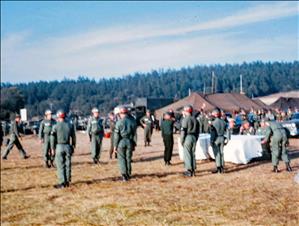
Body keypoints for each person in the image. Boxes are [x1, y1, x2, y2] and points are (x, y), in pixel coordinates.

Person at [51, 110, 76, 188]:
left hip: (59, 146)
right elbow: (74, 136)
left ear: (58, 116)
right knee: (68, 164)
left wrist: (52, 148)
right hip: (68, 146)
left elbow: (52, 138)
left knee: (60, 165)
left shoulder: (55, 126)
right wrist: (73, 145)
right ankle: (67, 181)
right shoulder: (70, 125)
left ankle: (62, 182)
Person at [113, 106, 136, 181]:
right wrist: (134, 144)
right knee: (128, 158)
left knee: (122, 158)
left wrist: (115, 146)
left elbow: (116, 136)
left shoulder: (119, 122)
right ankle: (129, 173)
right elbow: (134, 134)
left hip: (121, 142)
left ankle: (124, 174)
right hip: (129, 141)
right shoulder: (132, 122)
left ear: (121, 114)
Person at [180, 105, 199, 177]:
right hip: (194, 137)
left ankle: (189, 170)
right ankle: (193, 169)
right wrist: (196, 138)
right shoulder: (195, 119)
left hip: (188, 137)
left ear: (186, 111)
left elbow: (183, 131)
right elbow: (198, 131)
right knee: (193, 154)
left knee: (187, 154)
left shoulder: (185, 119)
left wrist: (182, 140)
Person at [210, 108, 227, 174]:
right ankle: (222, 167)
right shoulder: (224, 122)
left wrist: (211, 140)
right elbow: (227, 131)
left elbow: (212, 133)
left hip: (216, 139)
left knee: (217, 154)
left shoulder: (213, 123)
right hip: (222, 137)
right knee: (221, 153)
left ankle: (218, 167)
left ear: (215, 114)